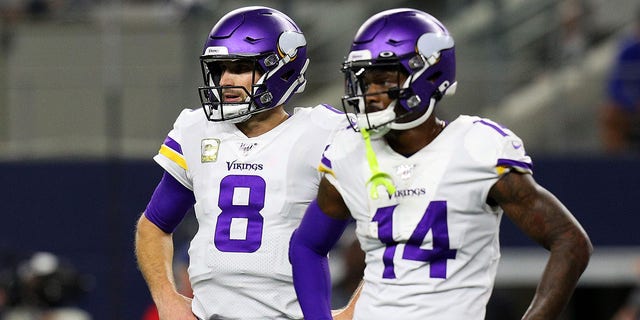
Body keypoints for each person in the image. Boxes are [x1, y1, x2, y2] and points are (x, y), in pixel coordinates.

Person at [289, 8, 593, 320]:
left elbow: (570, 242)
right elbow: (307, 246)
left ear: (429, 73)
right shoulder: (349, 152)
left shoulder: (476, 147)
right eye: (363, 82)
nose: (370, 94)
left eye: (382, 79)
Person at [134, 6, 350, 320]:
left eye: (239, 67)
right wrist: (166, 298)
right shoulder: (197, 130)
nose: (225, 80)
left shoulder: (324, 132)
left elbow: (389, 224)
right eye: (219, 69)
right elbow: (153, 226)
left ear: (283, 68)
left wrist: (357, 308)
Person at [600, 7, 640, 153]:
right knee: (609, 113)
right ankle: (615, 163)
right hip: (630, 106)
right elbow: (615, 87)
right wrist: (632, 103)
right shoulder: (627, 50)